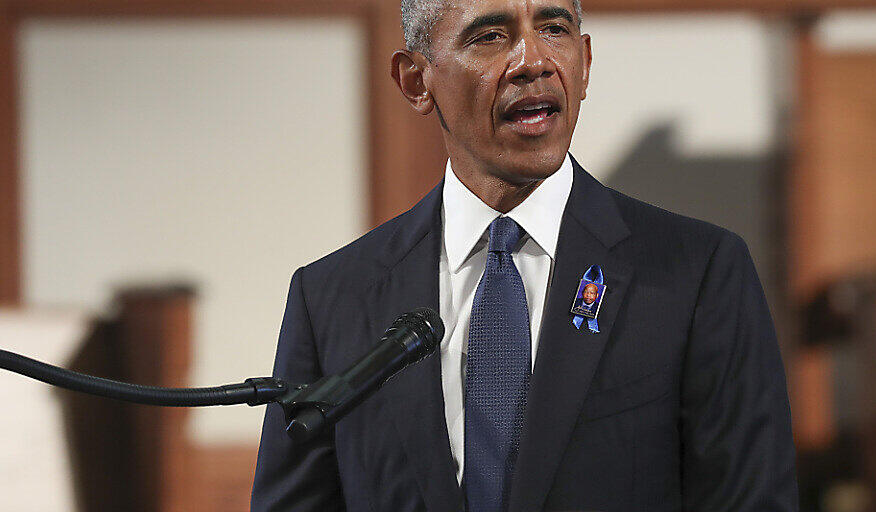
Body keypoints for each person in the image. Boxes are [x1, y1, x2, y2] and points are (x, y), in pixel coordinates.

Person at [251, 0, 798, 510]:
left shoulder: (697, 273)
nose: (533, 61)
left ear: (584, 63)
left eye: (554, 29)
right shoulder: (331, 297)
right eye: (490, 36)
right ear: (417, 81)